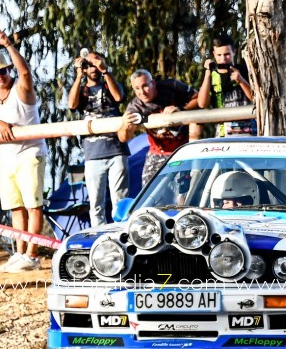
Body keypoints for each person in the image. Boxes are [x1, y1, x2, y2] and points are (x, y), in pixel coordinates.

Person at [0, 29, 48, 273]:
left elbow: (25, 71)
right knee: (15, 207)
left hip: (30, 153)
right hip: (7, 157)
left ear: (9, 71)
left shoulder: (21, 88)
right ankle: (20, 252)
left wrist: (8, 45)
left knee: (33, 205)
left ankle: (33, 253)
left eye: (3, 71)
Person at [66, 49, 129, 227]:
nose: (93, 68)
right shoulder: (82, 89)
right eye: (89, 65)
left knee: (120, 201)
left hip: (116, 149)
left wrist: (105, 71)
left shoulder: (110, 83)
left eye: (96, 63)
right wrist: (78, 76)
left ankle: (121, 232)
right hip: (93, 153)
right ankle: (99, 238)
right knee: (96, 203)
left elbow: (118, 97)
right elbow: (71, 104)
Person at [118, 70, 198, 188]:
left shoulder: (171, 87)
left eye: (145, 86)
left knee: (183, 195)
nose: (142, 92)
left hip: (182, 151)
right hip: (157, 153)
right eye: (137, 88)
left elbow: (199, 99)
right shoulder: (136, 106)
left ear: (153, 83)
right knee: (148, 193)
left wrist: (180, 110)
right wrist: (125, 125)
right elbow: (123, 138)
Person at [196, 35, 256, 137]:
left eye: (227, 54)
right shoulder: (211, 75)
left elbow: (257, 99)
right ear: (214, 54)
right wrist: (207, 73)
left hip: (249, 132)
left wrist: (241, 81)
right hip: (223, 134)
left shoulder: (245, 70)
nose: (223, 58)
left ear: (234, 52)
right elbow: (202, 104)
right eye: (219, 55)